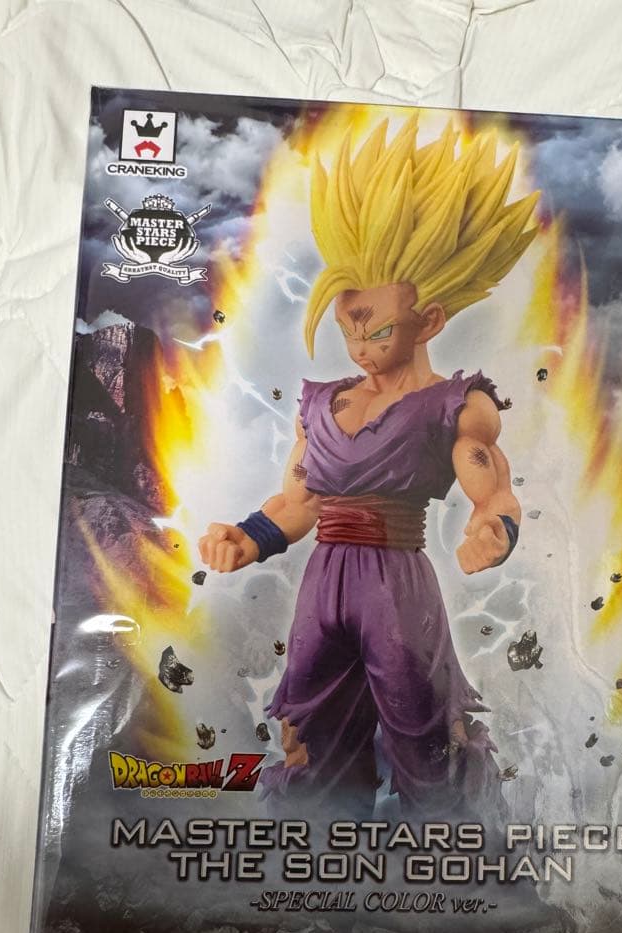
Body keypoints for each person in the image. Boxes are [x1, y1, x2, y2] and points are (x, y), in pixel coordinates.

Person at [198, 115, 540, 818]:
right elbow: (298, 501)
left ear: (429, 320)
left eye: (377, 328)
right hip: (322, 589)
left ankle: (451, 861)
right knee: (307, 738)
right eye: (348, 325)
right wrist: (247, 536)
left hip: (397, 588)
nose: (358, 344)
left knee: (427, 740)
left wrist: (495, 531)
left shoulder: (456, 405)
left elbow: (492, 486)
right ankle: (318, 858)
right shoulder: (322, 403)